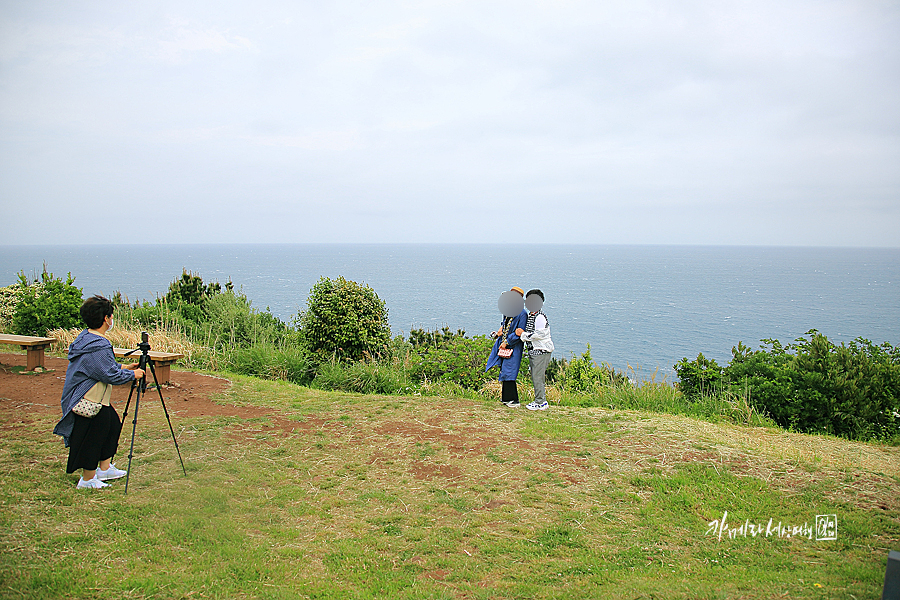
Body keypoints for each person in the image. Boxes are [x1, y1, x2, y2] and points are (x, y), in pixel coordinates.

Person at [53, 295, 144, 489]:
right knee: (94, 436)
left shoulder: (87, 338)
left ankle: (104, 468)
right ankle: (87, 479)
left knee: (112, 425)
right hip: (88, 399)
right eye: (111, 316)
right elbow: (109, 375)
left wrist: (124, 367)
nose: (112, 320)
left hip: (93, 396)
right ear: (106, 319)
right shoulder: (99, 345)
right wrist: (133, 375)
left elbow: (100, 367)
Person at [485, 286, 528, 407]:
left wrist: (507, 342)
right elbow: (505, 325)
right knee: (504, 371)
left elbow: (520, 332)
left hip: (514, 347)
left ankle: (513, 400)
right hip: (504, 345)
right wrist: (500, 332)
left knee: (510, 371)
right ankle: (506, 398)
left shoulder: (522, 313)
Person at [515, 289, 554, 411]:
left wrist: (522, 335)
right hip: (535, 350)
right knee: (536, 376)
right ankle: (539, 400)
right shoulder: (532, 315)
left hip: (541, 351)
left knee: (537, 377)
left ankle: (540, 402)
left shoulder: (539, 317)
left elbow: (538, 334)